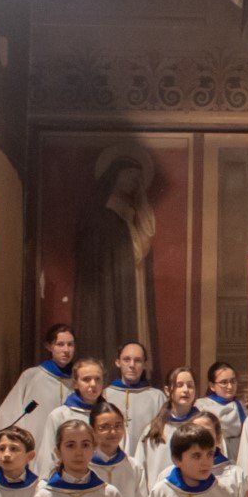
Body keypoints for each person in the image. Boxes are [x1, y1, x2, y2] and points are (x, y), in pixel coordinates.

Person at [75, 153, 158, 364]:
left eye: (138, 178)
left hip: (132, 275)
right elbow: (96, 246)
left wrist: (141, 199)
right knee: (111, 320)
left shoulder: (135, 205)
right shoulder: (101, 210)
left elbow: (146, 236)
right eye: (129, 176)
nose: (134, 182)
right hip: (109, 279)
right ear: (115, 176)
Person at [0, 323, 77, 443]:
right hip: (36, 449)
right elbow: (8, 414)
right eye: (60, 344)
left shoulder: (78, 381)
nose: (66, 350)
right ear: (49, 346)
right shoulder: (32, 376)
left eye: (70, 344)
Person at [36, 356, 108, 471]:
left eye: (98, 379)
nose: (93, 384)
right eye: (86, 379)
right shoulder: (59, 416)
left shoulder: (110, 415)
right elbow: (48, 457)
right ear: (75, 383)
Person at [136, 367, 201, 489]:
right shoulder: (153, 430)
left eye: (190, 386)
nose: (186, 390)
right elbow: (140, 472)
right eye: (179, 385)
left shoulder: (203, 427)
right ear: (167, 390)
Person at [89, 401, 146, 497]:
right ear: (92, 430)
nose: (113, 432)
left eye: (118, 426)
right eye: (105, 427)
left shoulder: (134, 468)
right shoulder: (85, 468)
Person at [107, 341, 164, 450]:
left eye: (137, 360)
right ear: (118, 362)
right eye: (126, 360)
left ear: (145, 364)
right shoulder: (105, 395)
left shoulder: (157, 397)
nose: (132, 365)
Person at [196, 362, 246, 460]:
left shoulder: (242, 407)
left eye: (233, 381)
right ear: (212, 386)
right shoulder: (200, 406)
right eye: (224, 382)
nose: (230, 386)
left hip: (238, 458)